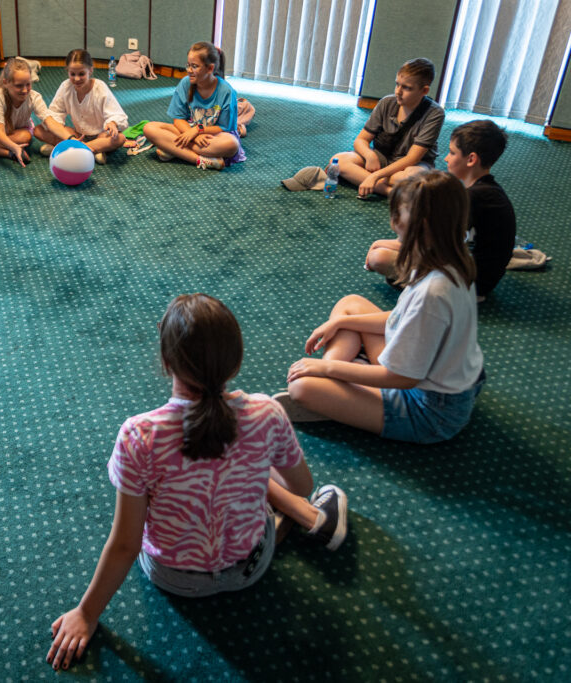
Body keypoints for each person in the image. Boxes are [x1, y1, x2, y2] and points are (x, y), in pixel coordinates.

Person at [46, 294, 347, 671]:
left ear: (167, 361)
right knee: (257, 468)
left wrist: (86, 613)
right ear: (235, 361)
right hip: (250, 570)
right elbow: (302, 483)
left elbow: (126, 544)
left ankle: (297, 515)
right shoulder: (268, 414)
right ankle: (310, 517)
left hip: (173, 578)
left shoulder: (139, 435)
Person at [276, 170, 485, 443]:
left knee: (302, 388)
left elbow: (402, 378)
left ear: (420, 226)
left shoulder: (433, 292)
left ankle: (336, 392)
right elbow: (400, 318)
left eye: (398, 214)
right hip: (444, 379)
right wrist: (340, 323)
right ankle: (341, 388)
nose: (392, 222)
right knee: (350, 306)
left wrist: (327, 369)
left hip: (431, 411)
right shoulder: (448, 257)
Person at [365, 120, 516, 301]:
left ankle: (432, 288)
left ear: (471, 159)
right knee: (385, 248)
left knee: (379, 257)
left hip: (471, 282)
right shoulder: (484, 191)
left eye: (452, 153)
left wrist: (386, 243)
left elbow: (435, 244)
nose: (446, 158)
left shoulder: (474, 197)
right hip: (476, 273)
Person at [330, 58, 444, 198]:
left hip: (411, 165)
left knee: (411, 178)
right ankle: (390, 192)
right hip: (382, 158)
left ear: (424, 90)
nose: (398, 92)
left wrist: (376, 175)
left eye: (407, 88)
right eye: (397, 85)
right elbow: (360, 140)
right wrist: (369, 155)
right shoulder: (386, 102)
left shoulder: (435, 113)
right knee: (338, 160)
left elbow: (412, 158)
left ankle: (366, 179)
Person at [141, 41, 245, 171]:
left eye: (195, 66)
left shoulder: (227, 91)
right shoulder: (185, 83)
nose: (189, 70)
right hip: (188, 132)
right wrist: (194, 136)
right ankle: (201, 159)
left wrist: (198, 131)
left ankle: (174, 150)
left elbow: (224, 128)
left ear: (210, 68)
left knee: (232, 144)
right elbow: (178, 119)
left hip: (213, 136)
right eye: (188, 65)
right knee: (149, 128)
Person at [0, 57, 71, 166]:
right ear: (6, 83)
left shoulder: (34, 97)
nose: (25, 90)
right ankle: (4, 152)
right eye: (19, 86)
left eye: (28, 84)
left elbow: (50, 122)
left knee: (25, 137)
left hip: (17, 132)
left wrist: (71, 139)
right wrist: (14, 148)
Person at [36, 49, 128, 165]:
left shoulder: (100, 87)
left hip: (101, 136)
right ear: (67, 71)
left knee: (120, 138)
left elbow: (117, 114)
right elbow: (55, 113)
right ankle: (92, 150)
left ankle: (68, 149)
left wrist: (113, 123)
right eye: (72, 74)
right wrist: (58, 127)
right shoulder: (66, 86)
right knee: (38, 130)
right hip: (78, 135)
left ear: (90, 70)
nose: (77, 79)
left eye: (81, 74)